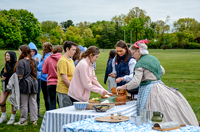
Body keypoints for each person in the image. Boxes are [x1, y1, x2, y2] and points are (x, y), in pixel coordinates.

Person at [117, 39, 199, 126]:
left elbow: (135, 83)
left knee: (150, 111)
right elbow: (162, 71)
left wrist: (122, 87)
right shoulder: (153, 58)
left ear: (139, 51)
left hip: (148, 90)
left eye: (133, 53)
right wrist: (153, 76)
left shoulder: (139, 64)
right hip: (160, 86)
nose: (133, 56)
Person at [14, 45, 38, 125]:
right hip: (34, 83)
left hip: (24, 84)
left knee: (23, 103)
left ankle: (23, 120)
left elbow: (20, 75)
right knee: (33, 102)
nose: (19, 52)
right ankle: (34, 120)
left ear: (23, 52)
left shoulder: (21, 62)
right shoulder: (34, 60)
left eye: (19, 51)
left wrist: (14, 76)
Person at [56, 41, 77, 108]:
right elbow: (65, 78)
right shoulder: (63, 60)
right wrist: (73, 89)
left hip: (70, 90)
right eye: (73, 50)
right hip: (64, 91)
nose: (74, 51)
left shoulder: (70, 60)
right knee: (66, 111)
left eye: (75, 50)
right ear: (67, 49)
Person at [42, 46, 62, 110]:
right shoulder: (62, 59)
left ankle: (52, 117)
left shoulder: (48, 59)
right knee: (61, 102)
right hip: (60, 82)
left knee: (52, 101)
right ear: (61, 52)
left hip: (50, 82)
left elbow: (44, 71)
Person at [0, 51, 17, 124]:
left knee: (12, 102)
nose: (6, 57)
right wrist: (2, 76)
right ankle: (3, 116)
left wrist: (6, 76)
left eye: (8, 56)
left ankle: (12, 117)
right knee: (1, 102)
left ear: (12, 57)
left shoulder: (16, 65)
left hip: (12, 86)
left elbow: (14, 75)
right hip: (5, 85)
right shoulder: (6, 64)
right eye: (6, 55)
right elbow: (2, 73)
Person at [28, 42, 43, 118]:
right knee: (27, 95)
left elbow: (41, 68)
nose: (32, 52)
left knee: (37, 95)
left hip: (37, 78)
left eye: (34, 51)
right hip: (28, 79)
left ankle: (37, 111)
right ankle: (27, 111)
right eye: (30, 51)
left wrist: (37, 63)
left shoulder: (39, 56)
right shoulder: (25, 57)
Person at [38, 42, 53, 111]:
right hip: (53, 79)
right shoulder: (54, 56)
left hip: (45, 79)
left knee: (46, 97)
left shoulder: (45, 58)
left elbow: (40, 68)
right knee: (52, 96)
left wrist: (38, 62)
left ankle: (48, 111)